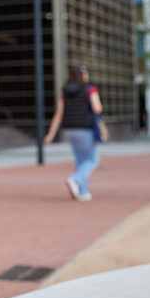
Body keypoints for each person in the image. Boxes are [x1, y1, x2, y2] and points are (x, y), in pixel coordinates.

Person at [44, 65, 104, 201]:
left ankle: (82, 192)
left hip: (69, 130)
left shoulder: (64, 92)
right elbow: (97, 108)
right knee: (92, 160)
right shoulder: (90, 89)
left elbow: (58, 114)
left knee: (80, 160)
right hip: (85, 129)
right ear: (83, 75)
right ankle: (75, 179)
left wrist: (50, 135)